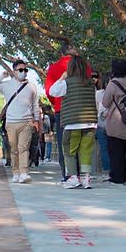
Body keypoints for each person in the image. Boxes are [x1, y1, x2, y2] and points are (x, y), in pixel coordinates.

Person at [49, 56, 97, 189]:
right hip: (90, 124)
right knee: (86, 151)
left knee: (69, 151)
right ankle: (86, 178)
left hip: (72, 123)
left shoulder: (66, 83)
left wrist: (61, 78)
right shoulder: (91, 83)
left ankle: (73, 178)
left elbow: (52, 91)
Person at [0, 59, 40, 184]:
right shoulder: (6, 85)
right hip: (11, 123)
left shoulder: (31, 86)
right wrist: (2, 76)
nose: (24, 72)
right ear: (14, 71)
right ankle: (16, 173)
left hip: (26, 122)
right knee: (14, 149)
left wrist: (37, 120)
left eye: (25, 70)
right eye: (20, 70)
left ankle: (24, 173)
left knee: (24, 148)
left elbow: (35, 105)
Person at [45, 43, 79, 181]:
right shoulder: (84, 67)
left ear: (61, 53)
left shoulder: (54, 67)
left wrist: (55, 103)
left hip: (62, 110)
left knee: (64, 143)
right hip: (81, 110)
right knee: (81, 143)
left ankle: (68, 174)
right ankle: (83, 174)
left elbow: (49, 91)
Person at [102, 60, 126, 184]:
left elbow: (105, 102)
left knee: (115, 151)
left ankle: (117, 177)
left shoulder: (113, 84)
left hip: (115, 121)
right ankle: (124, 176)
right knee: (123, 150)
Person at [93, 71, 111, 181]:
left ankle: (106, 172)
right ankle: (114, 171)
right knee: (112, 148)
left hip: (100, 123)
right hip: (113, 123)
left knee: (104, 149)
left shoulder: (98, 94)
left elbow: (96, 109)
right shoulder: (116, 94)